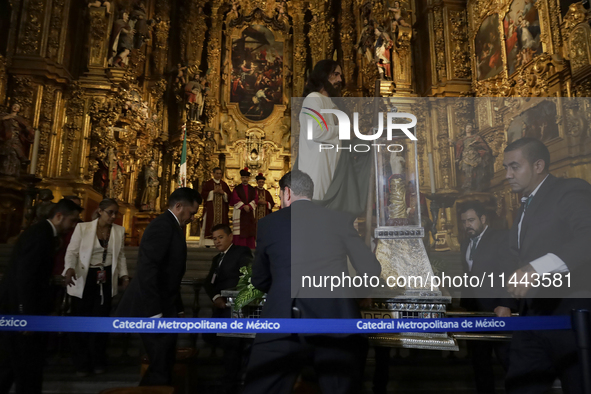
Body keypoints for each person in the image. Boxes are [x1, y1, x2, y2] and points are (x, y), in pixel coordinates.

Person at [242, 170, 382, 394]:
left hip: (283, 321)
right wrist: (350, 294)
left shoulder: (269, 224)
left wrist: (283, 288)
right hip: (336, 320)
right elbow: (371, 269)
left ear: (286, 193)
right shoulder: (338, 219)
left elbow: (260, 279)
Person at [502, 137, 591, 394]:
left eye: (514, 167)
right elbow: (518, 258)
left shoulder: (569, 189)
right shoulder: (523, 207)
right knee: (520, 386)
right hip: (532, 319)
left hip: (571, 316)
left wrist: (536, 269)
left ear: (538, 165)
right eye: (506, 167)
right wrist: (506, 302)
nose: (507, 175)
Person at [116, 187, 201, 386]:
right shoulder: (162, 226)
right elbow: (148, 270)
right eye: (191, 213)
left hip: (165, 306)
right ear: (179, 206)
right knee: (160, 365)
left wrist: (177, 308)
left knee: (163, 362)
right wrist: (154, 313)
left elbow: (170, 276)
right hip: (153, 308)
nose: (191, 218)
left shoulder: (173, 227)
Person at [0, 199, 83, 394]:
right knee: (27, 366)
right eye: (72, 221)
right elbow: (25, 277)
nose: (73, 226)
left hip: (22, 310)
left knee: (11, 365)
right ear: (59, 216)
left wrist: (54, 280)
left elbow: (33, 273)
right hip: (21, 312)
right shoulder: (41, 235)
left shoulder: (42, 233)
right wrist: (27, 316)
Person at [63, 198, 130, 376]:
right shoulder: (83, 228)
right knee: (81, 318)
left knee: (101, 319)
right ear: (100, 211)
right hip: (86, 277)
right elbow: (72, 252)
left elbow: (121, 255)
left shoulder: (118, 231)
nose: (114, 216)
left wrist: (124, 275)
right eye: (110, 212)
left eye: (116, 213)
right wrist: (69, 268)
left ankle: (98, 359)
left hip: (106, 277)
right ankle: (81, 362)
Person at [297, 60, 372, 216]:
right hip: (319, 168)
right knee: (318, 214)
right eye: (336, 74)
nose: (340, 80)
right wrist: (344, 129)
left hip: (335, 166)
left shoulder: (333, 104)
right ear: (323, 75)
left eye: (340, 76)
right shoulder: (313, 99)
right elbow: (316, 131)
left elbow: (343, 139)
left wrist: (368, 138)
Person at [458, 201, 517, 394]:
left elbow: (510, 272)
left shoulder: (500, 237)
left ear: (483, 219)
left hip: (498, 310)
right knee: (480, 362)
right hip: (475, 312)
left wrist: (506, 304)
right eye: (464, 221)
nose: (467, 225)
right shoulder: (465, 242)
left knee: (508, 360)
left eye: (471, 220)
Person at [203, 223, 253, 394]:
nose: (217, 241)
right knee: (214, 338)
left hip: (236, 309)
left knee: (232, 344)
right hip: (220, 309)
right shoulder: (217, 259)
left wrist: (231, 297)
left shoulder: (241, 252)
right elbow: (208, 282)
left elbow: (248, 276)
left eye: (220, 237)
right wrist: (216, 297)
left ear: (230, 236)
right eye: (214, 238)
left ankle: (232, 381)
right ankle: (230, 378)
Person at [199, 167, 231, 246]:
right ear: (213, 174)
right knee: (210, 223)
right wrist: (213, 192)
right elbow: (203, 194)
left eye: (220, 173)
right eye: (217, 173)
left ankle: (222, 242)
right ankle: (209, 243)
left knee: (222, 224)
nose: (219, 175)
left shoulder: (224, 184)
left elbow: (230, 196)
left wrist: (224, 193)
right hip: (211, 210)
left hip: (222, 210)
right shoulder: (208, 183)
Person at [230, 168, 256, 249]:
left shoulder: (252, 189)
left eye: (246, 177)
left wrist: (249, 206)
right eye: (243, 177)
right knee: (239, 231)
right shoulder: (237, 189)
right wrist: (243, 206)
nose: (245, 179)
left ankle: (250, 247)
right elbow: (235, 198)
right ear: (241, 178)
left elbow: (256, 198)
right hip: (240, 211)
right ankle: (239, 247)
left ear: (248, 179)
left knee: (249, 229)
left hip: (249, 212)